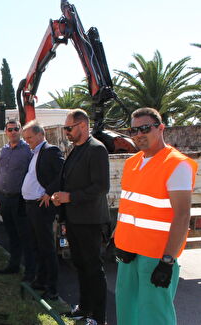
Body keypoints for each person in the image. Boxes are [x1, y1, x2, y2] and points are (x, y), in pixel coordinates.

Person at [113, 108, 197, 325]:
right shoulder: (132, 163)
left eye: (144, 128)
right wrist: (118, 239)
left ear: (160, 128)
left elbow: (181, 215)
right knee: (126, 309)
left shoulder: (176, 164)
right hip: (128, 252)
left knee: (155, 316)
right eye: (133, 130)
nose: (139, 134)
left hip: (156, 255)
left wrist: (168, 261)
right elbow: (128, 206)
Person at [51, 109, 110, 325]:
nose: (66, 132)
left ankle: (99, 317)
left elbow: (101, 187)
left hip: (90, 221)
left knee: (94, 269)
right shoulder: (76, 149)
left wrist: (70, 197)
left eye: (69, 128)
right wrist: (61, 198)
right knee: (81, 266)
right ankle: (84, 309)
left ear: (83, 126)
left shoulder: (96, 149)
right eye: (66, 128)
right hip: (75, 219)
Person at [21, 120, 64, 301]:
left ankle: (52, 288)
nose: (27, 141)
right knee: (36, 246)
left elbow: (63, 174)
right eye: (26, 138)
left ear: (41, 134)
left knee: (46, 248)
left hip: (42, 207)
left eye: (30, 137)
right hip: (31, 205)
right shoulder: (35, 153)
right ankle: (41, 280)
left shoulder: (51, 151)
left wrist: (49, 192)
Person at [0, 120, 34, 279]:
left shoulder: (28, 150)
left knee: (25, 236)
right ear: (6, 132)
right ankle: (14, 265)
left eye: (16, 129)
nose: (13, 132)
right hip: (4, 198)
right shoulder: (4, 150)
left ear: (20, 130)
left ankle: (30, 271)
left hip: (20, 200)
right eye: (10, 129)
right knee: (11, 234)